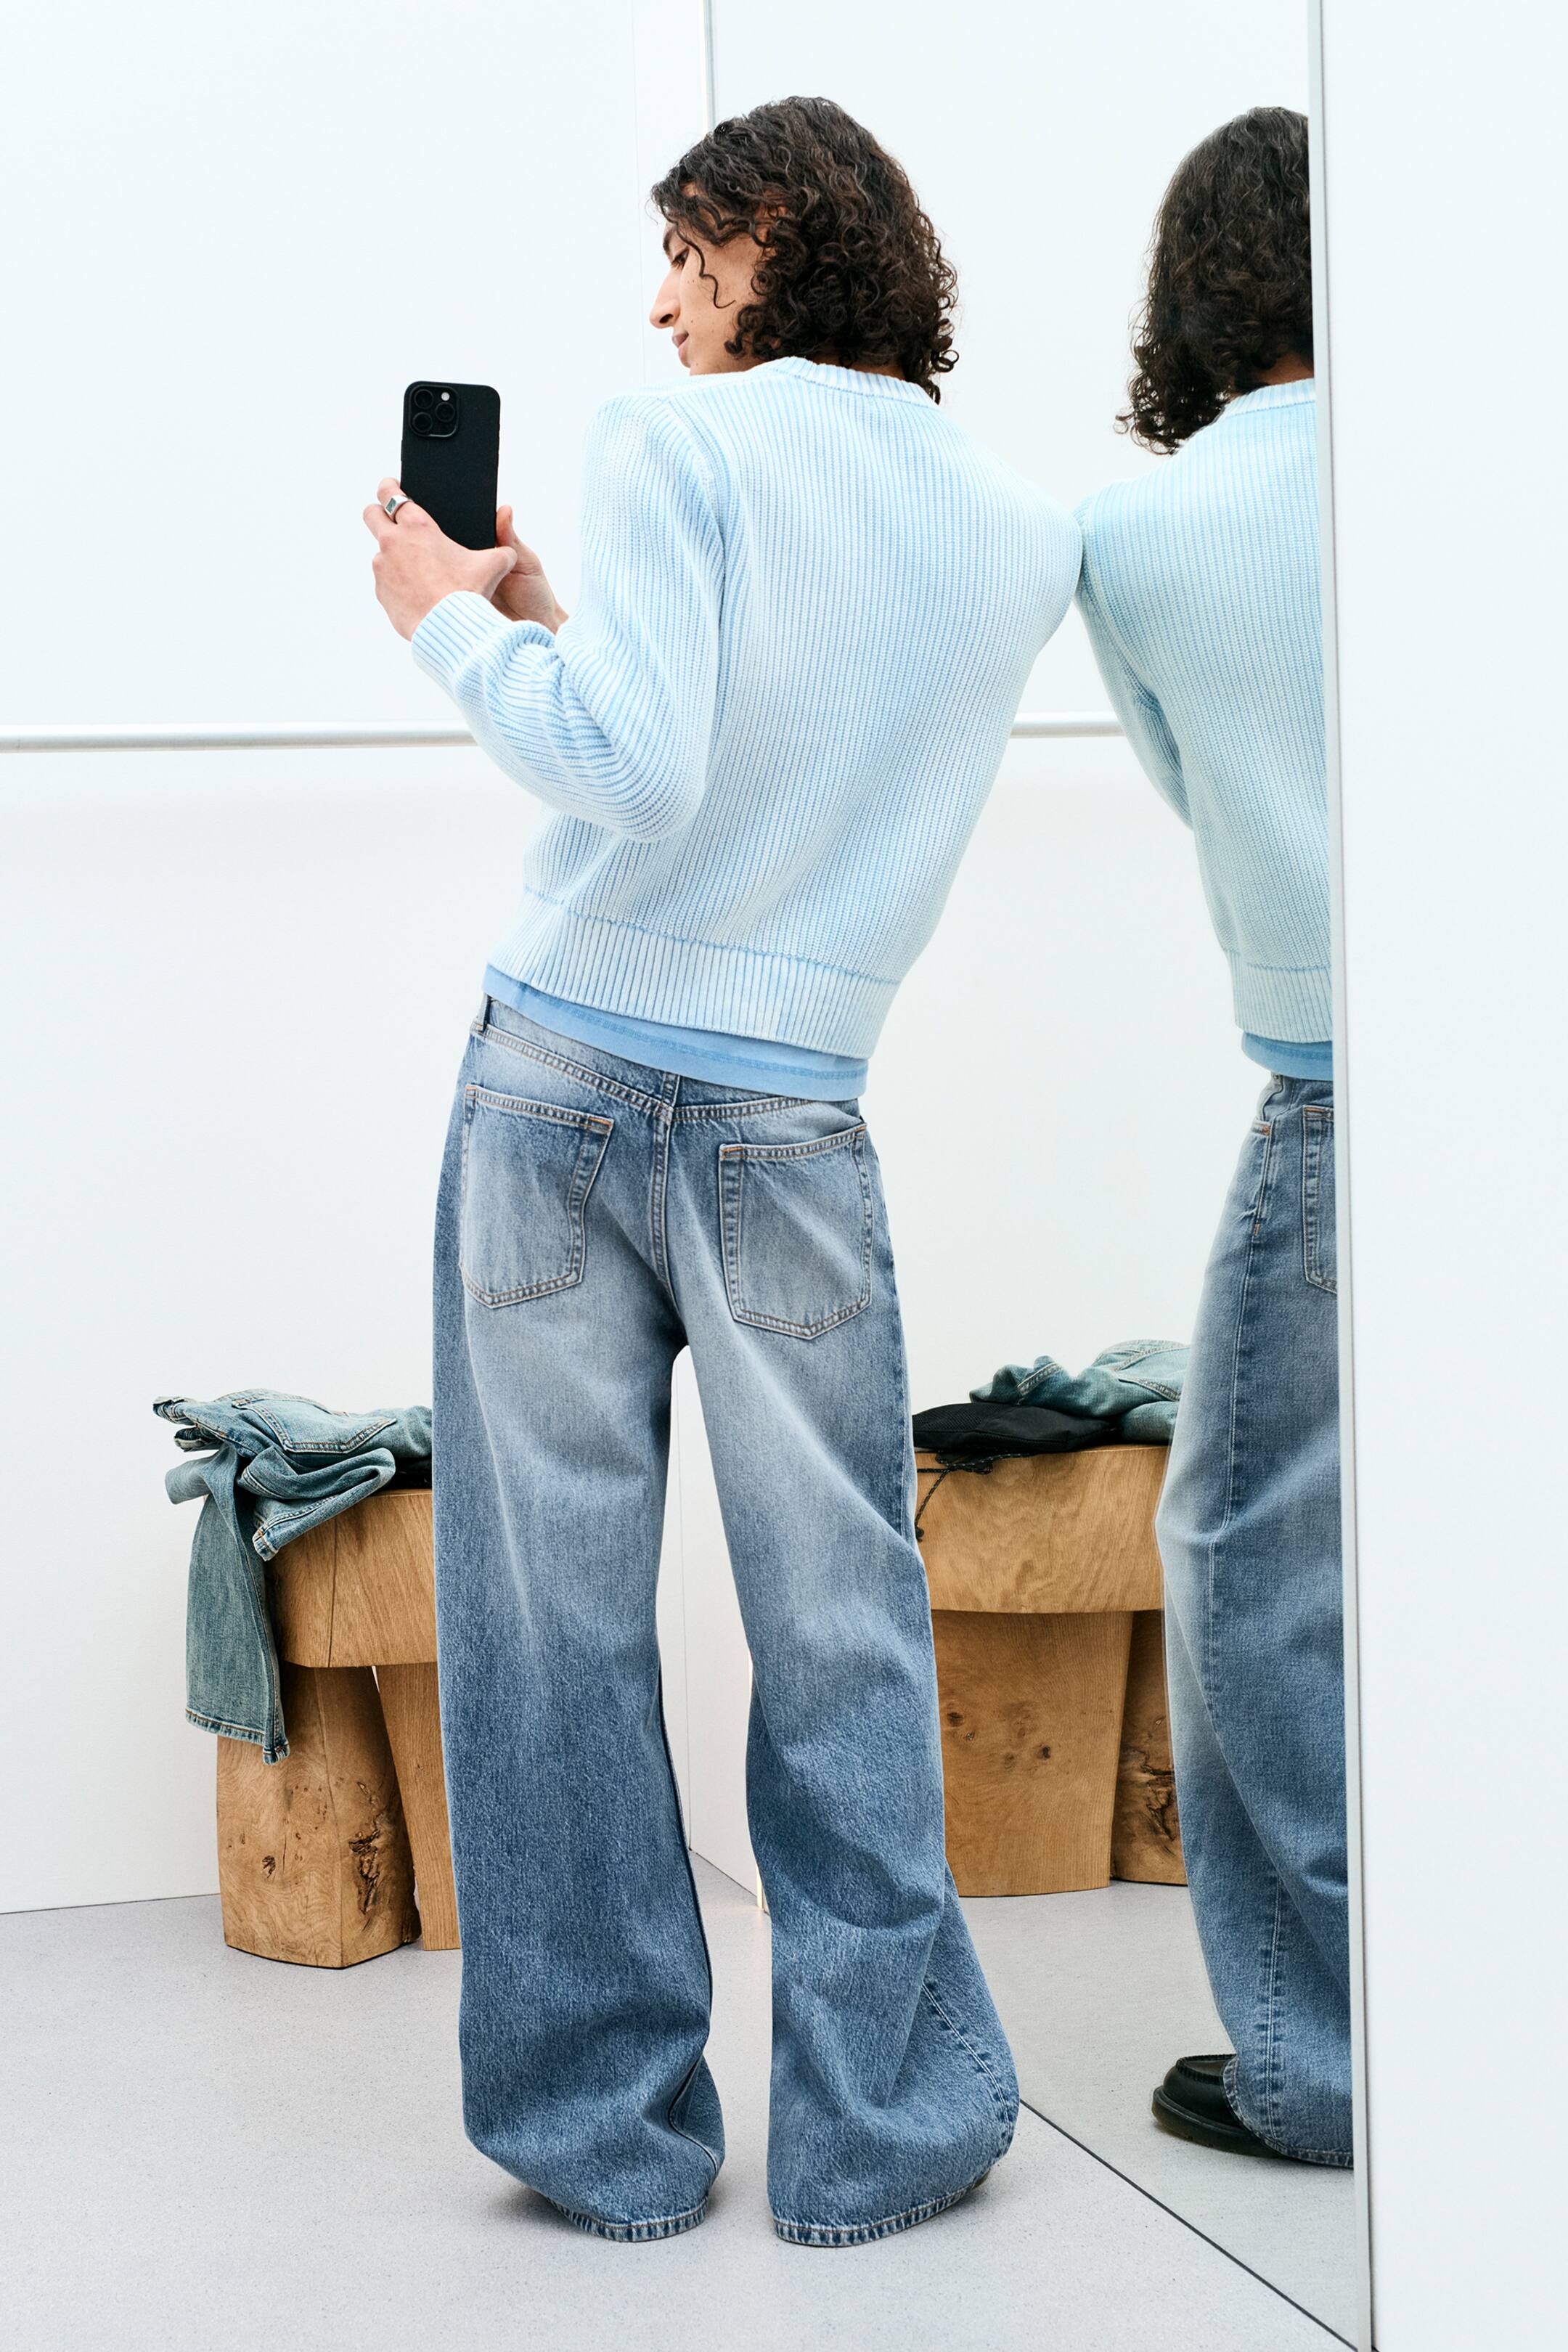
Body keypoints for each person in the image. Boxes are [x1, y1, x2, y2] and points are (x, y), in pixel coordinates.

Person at [363, 96, 1079, 2243]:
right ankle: (881, 2132)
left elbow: (644, 771)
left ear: (773, 234)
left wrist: (446, 620)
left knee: (550, 1621)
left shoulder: (677, 435)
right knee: (842, 1620)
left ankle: (611, 2142)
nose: (657, 298)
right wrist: (566, 616)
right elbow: (791, 740)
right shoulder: (1019, 527)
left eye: (683, 251)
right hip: (789, 1113)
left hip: (560, 1090)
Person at [1076, 107, 1351, 2167]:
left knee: (1248, 1557)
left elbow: (1192, 793)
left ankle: (1329, 2059)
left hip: (1345, 1088)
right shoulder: (1489, 462)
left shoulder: (1147, 539)